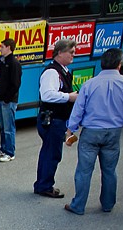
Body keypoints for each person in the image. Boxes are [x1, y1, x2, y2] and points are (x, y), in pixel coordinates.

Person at [63, 48, 123, 215]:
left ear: (102, 64)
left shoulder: (90, 84)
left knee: (84, 170)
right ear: (119, 65)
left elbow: (78, 110)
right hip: (113, 132)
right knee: (110, 170)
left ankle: (78, 205)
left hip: (91, 132)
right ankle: (107, 204)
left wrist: (70, 130)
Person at [34, 39, 79, 198]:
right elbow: (47, 95)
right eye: (71, 52)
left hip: (56, 119)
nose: (74, 55)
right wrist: (69, 97)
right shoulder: (52, 72)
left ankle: (42, 184)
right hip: (53, 120)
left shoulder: (63, 70)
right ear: (60, 52)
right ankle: (45, 186)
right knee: (52, 154)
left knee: (49, 152)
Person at [0, 38, 22, 163]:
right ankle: (3, 148)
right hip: (2, 99)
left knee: (9, 127)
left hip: (8, 101)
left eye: (2, 47)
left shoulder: (14, 63)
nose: (0, 49)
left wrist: (6, 99)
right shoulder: (4, 62)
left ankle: (10, 152)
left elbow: (15, 84)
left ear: (9, 47)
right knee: (3, 126)